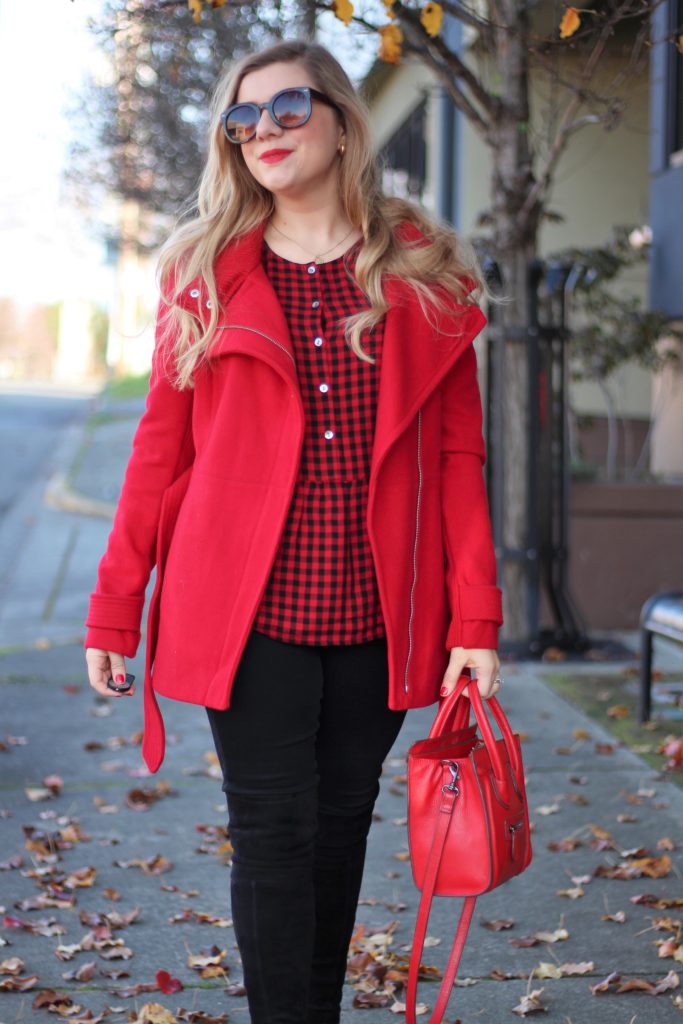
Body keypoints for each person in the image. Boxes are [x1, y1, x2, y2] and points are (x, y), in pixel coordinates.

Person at [84, 39, 503, 1024]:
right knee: (272, 832)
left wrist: (473, 620)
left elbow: (456, 464)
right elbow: (158, 454)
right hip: (247, 614)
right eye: (240, 119)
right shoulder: (203, 273)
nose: (260, 131)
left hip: (379, 615)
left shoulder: (426, 276)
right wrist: (113, 608)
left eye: (284, 108)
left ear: (339, 119)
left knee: (338, 829)